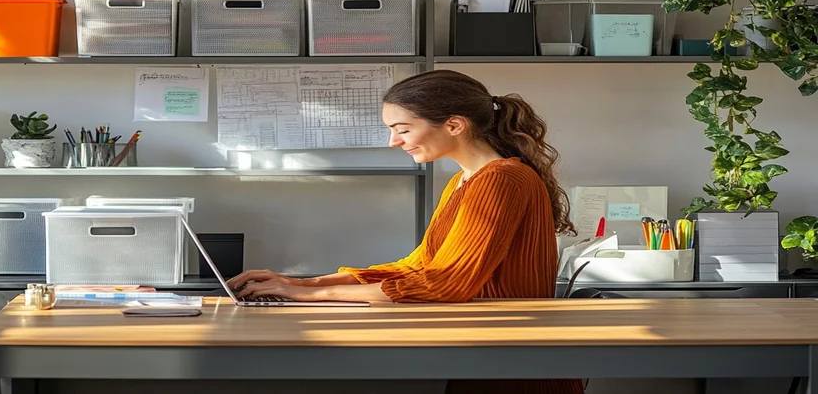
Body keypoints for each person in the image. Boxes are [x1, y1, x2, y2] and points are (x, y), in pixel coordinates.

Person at [227, 69, 584, 394]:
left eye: (403, 129)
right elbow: (420, 266)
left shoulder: (501, 179)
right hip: (487, 353)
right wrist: (305, 284)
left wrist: (316, 296)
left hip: (516, 367)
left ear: (455, 125)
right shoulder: (466, 180)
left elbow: (446, 283)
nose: (393, 142)